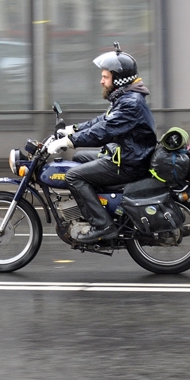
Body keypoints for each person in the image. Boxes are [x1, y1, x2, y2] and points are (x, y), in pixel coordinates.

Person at [46, 47, 157, 243]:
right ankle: (101, 207)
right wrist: (73, 129)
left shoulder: (131, 103)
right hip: (128, 155)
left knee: (73, 176)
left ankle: (103, 226)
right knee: (79, 158)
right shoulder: (125, 98)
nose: (101, 81)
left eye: (105, 77)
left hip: (131, 163)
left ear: (119, 79)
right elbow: (102, 121)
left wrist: (68, 142)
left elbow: (103, 132)